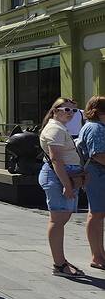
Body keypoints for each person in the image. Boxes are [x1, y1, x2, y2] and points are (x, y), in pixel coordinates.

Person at [39, 97, 85, 277]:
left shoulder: (59, 127)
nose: (70, 113)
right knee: (57, 220)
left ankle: (61, 261)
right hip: (58, 178)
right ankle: (59, 265)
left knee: (61, 219)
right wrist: (67, 185)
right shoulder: (55, 129)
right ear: (55, 111)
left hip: (63, 177)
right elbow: (56, 159)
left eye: (74, 110)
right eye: (66, 109)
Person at [77, 96, 105, 270]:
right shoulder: (96, 128)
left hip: (95, 174)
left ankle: (100, 253)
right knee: (96, 214)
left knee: (97, 214)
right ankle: (97, 256)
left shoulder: (92, 126)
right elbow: (98, 155)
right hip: (97, 174)